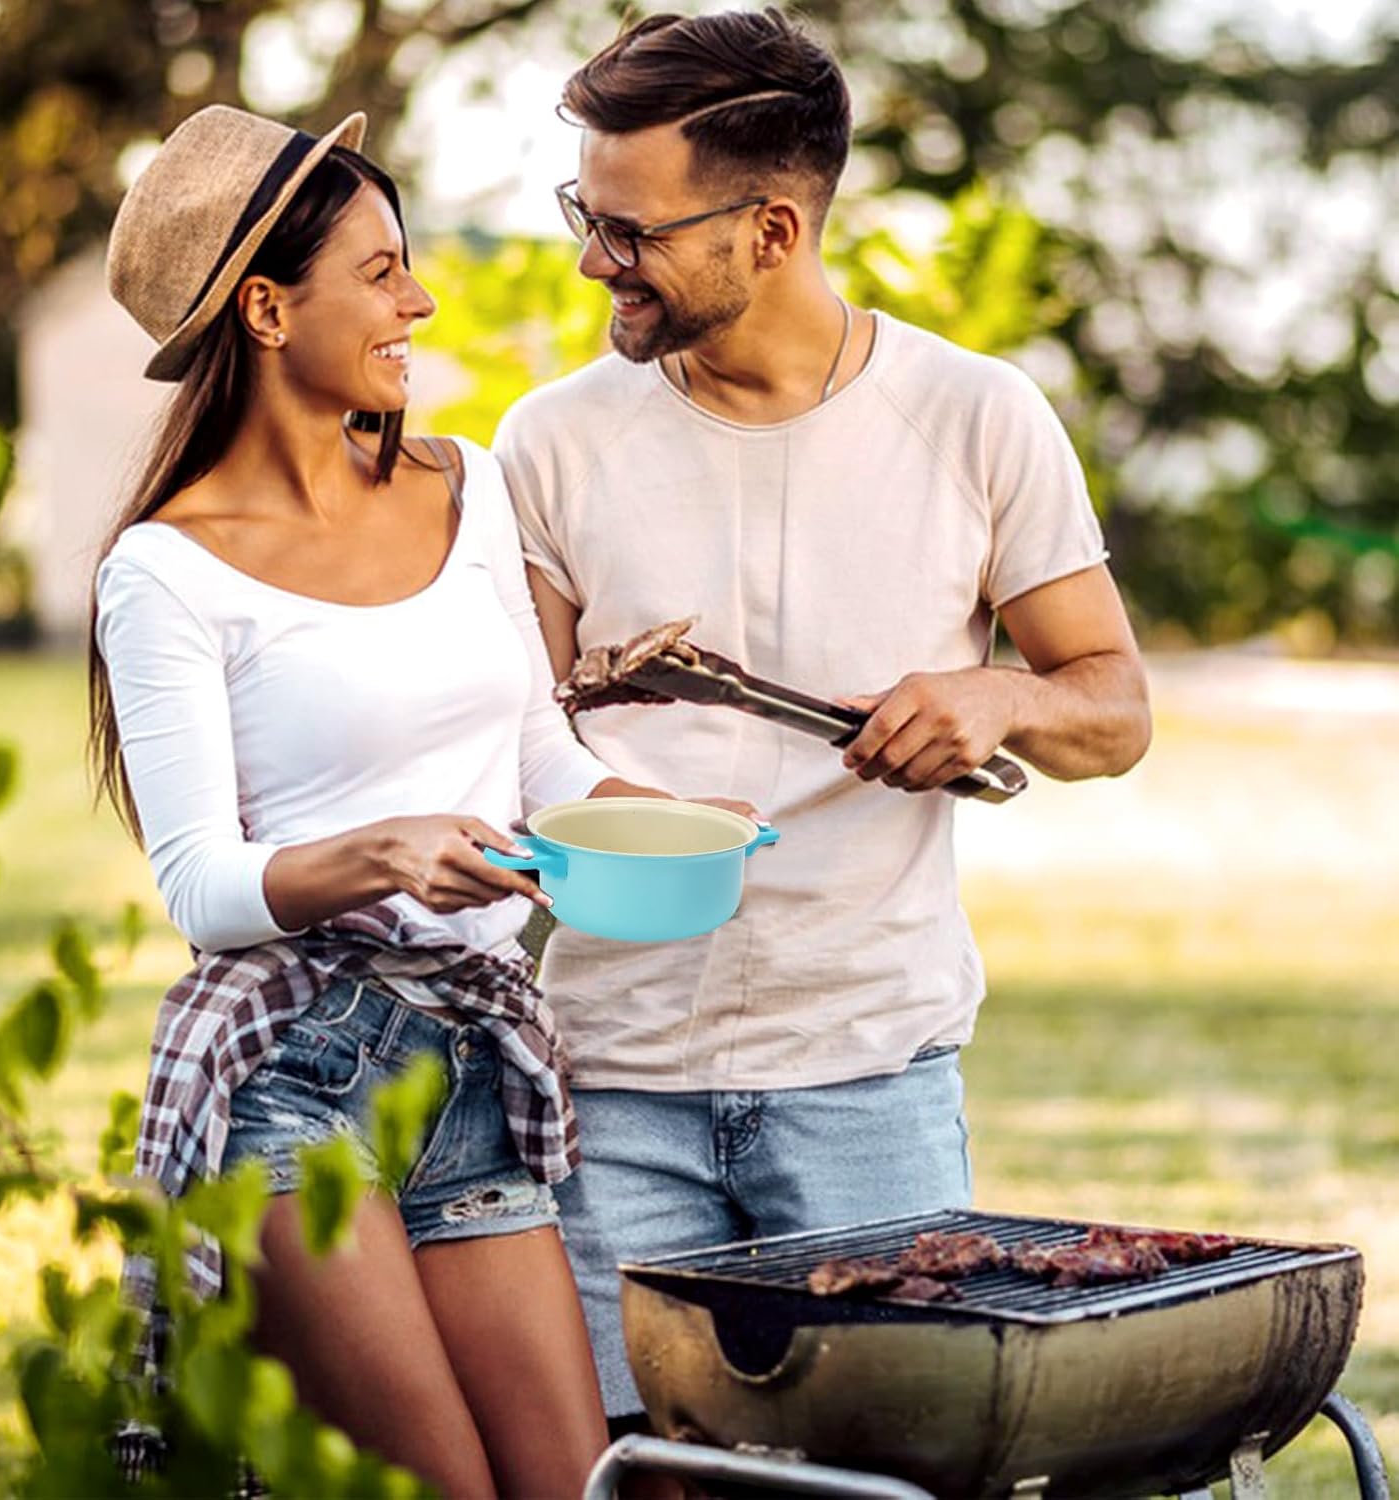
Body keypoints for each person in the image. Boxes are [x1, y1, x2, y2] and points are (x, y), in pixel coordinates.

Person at [493, 8, 1153, 1436]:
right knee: (640, 1470)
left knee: (883, 1468)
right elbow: (513, 750)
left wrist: (1000, 695)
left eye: (633, 230)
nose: (595, 257)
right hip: (612, 1074)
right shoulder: (551, 442)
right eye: (585, 214)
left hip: (867, 1077)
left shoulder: (979, 418)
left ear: (775, 229)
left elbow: (1115, 708)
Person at [91, 103, 683, 1497]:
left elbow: (540, 750)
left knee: (569, 1484)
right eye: (379, 271)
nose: (418, 300)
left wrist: (642, 815)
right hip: (294, 1079)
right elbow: (201, 886)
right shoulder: (168, 572)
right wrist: (384, 855)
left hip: (473, 1063)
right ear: (265, 308)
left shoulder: (464, 488)